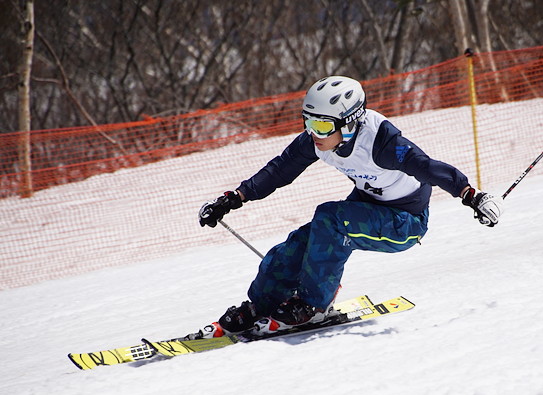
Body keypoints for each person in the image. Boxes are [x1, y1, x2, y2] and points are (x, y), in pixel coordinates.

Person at [191, 75, 504, 339]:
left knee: (330, 219)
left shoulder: (381, 143)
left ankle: (313, 307)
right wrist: (234, 198)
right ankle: (262, 304)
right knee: (305, 239)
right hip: (369, 205)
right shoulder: (318, 142)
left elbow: (427, 167)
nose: (314, 133)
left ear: (350, 123)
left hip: (405, 221)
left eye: (323, 126)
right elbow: (279, 170)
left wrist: (471, 194)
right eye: (309, 121)